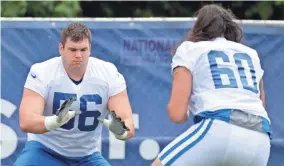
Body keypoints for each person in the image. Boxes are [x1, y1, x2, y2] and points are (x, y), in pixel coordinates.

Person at [152, 4, 271, 166]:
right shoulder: (251, 54)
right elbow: (260, 103)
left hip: (219, 127)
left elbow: (177, 114)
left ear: (199, 27)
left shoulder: (190, 49)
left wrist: (190, 110)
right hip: (260, 139)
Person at [14, 23, 135, 166]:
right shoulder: (43, 72)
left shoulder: (107, 73)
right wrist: (55, 121)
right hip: (45, 150)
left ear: (90, 49)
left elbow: (127, 122)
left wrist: (121, 132)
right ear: (61, 49)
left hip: (87, 156)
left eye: (83, 50)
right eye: (72, 50)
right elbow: (26, 121)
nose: (78, 55)